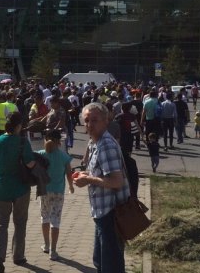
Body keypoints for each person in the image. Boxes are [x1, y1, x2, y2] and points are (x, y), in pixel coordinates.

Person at [74, 102, 129, 273]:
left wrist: (88, 179)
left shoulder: (106, 145)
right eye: (87, 120)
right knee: (100, 261)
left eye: (94, 120)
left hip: (111, 213)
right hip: (101, 212)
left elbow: (116, 181)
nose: (90, 124)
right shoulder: (95, 142)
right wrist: (85, 175)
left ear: (106, 121)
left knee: (110, 265)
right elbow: (101, 172)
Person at [0, 111, 35, 273]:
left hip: (1, 187)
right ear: (19, 126)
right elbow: (30, 164)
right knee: (20, 222)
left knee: (0, 223)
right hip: (20, 188)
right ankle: (18, 256)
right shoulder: (22, 142)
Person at [37, 128, 74, 261]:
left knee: (45, 217)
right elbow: (69, 174)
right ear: (59, 141)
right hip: (58, 192)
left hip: (44, 191)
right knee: (55, 220)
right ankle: (53, 251)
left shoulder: (41, 154)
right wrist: (71, 186)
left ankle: (46, 245)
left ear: (46, 139)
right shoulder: (64, 156)